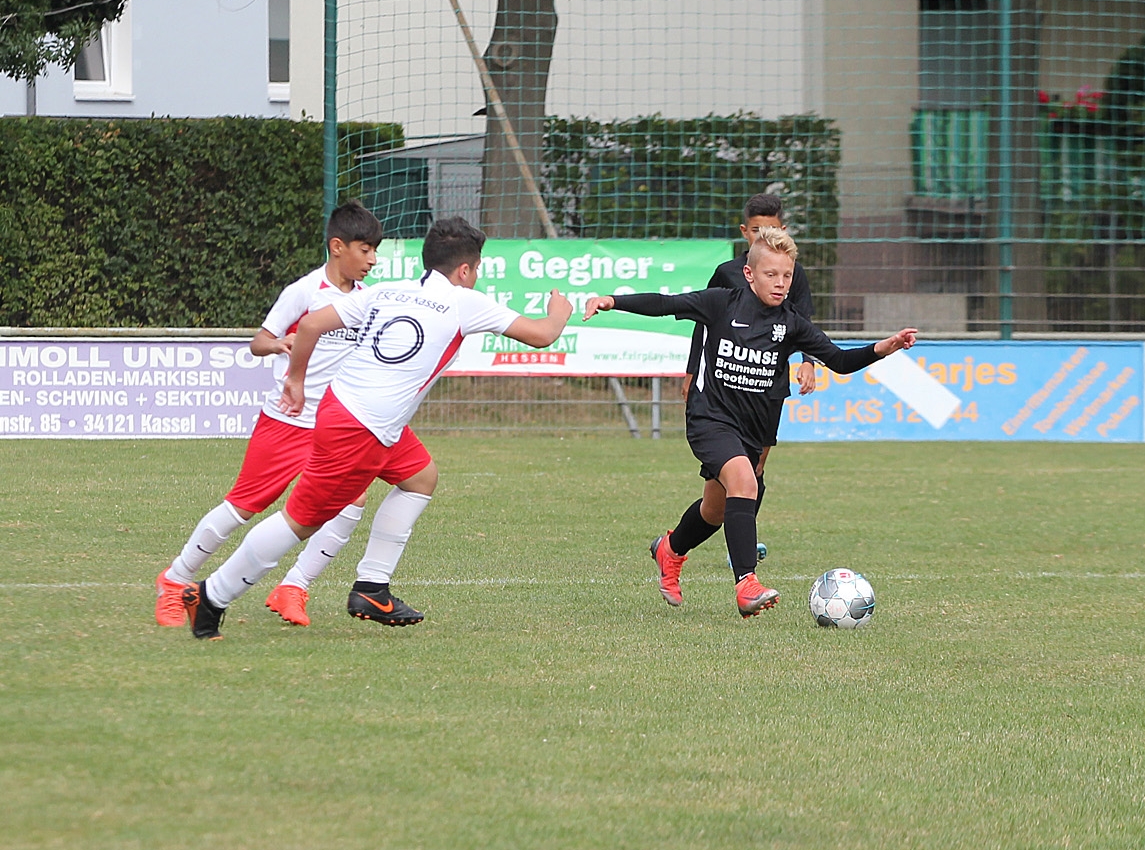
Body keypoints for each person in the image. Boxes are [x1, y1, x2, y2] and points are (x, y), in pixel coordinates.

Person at [182, 216, 572, 639]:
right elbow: (543, 335)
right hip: (362, 428)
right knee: (301, 520)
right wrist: (559, 311)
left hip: (350, 411)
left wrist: (295, 380)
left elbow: (310, 325)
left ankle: (372, 587)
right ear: (465, 270)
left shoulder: (387, 291)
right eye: (476, 269)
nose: (475, 276)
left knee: (420, 477)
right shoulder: (464, 301)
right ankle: (211, 596)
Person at [584, 226, 916, 616]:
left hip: (752, 428)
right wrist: (611, 301)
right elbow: (664, 303)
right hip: (709, 418)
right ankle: (746, 584)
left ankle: (669, 549)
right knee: (745, 483)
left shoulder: (791, 323)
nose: (780, 283)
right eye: (771, 274)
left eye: (787, 275)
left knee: (715, 510)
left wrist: (884, 348)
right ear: (749, 274)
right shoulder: (721, 304)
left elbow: (839, 361)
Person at [155, 200, 383, 629]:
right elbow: (258, 342)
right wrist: (279, 345)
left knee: (352, 500)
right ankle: (175, 580)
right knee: (244, 505)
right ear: (338, 247)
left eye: (374, 251)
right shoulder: (305, 291)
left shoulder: (368, 299)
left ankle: (294, 587)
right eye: (365, 249)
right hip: (288, 421)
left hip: (336, 423)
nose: (372, 260)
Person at [681, 193, 819, 569]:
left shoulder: (791, 272)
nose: (763, 236)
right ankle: (734, 549)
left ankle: (738, 543)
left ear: (783, 230)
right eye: (757, 230)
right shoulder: (728, 273)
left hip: (769, 386)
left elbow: (804, 321)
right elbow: (702, 322)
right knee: (731, 482)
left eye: (771, 229)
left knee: (752, 471)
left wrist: (808, 362)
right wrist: (692, 371)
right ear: (745, 232)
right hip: (726, 389)